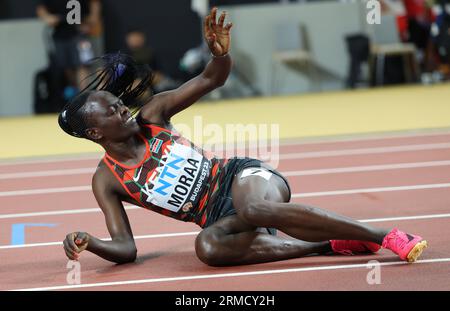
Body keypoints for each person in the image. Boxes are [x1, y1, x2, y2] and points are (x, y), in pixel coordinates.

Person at [59, 8, 427, 266]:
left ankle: (383, 235)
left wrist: (220, 55)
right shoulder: (107, 180)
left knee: (253, 208)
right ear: (94, 133)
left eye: (118, 101)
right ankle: (326, 245)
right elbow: (126, 248)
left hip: (243, 179)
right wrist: (91, 243)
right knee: (207, 247)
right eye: (110, 110)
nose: (122, 108)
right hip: (220, 219)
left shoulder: (153, 114)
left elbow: (210, 79)